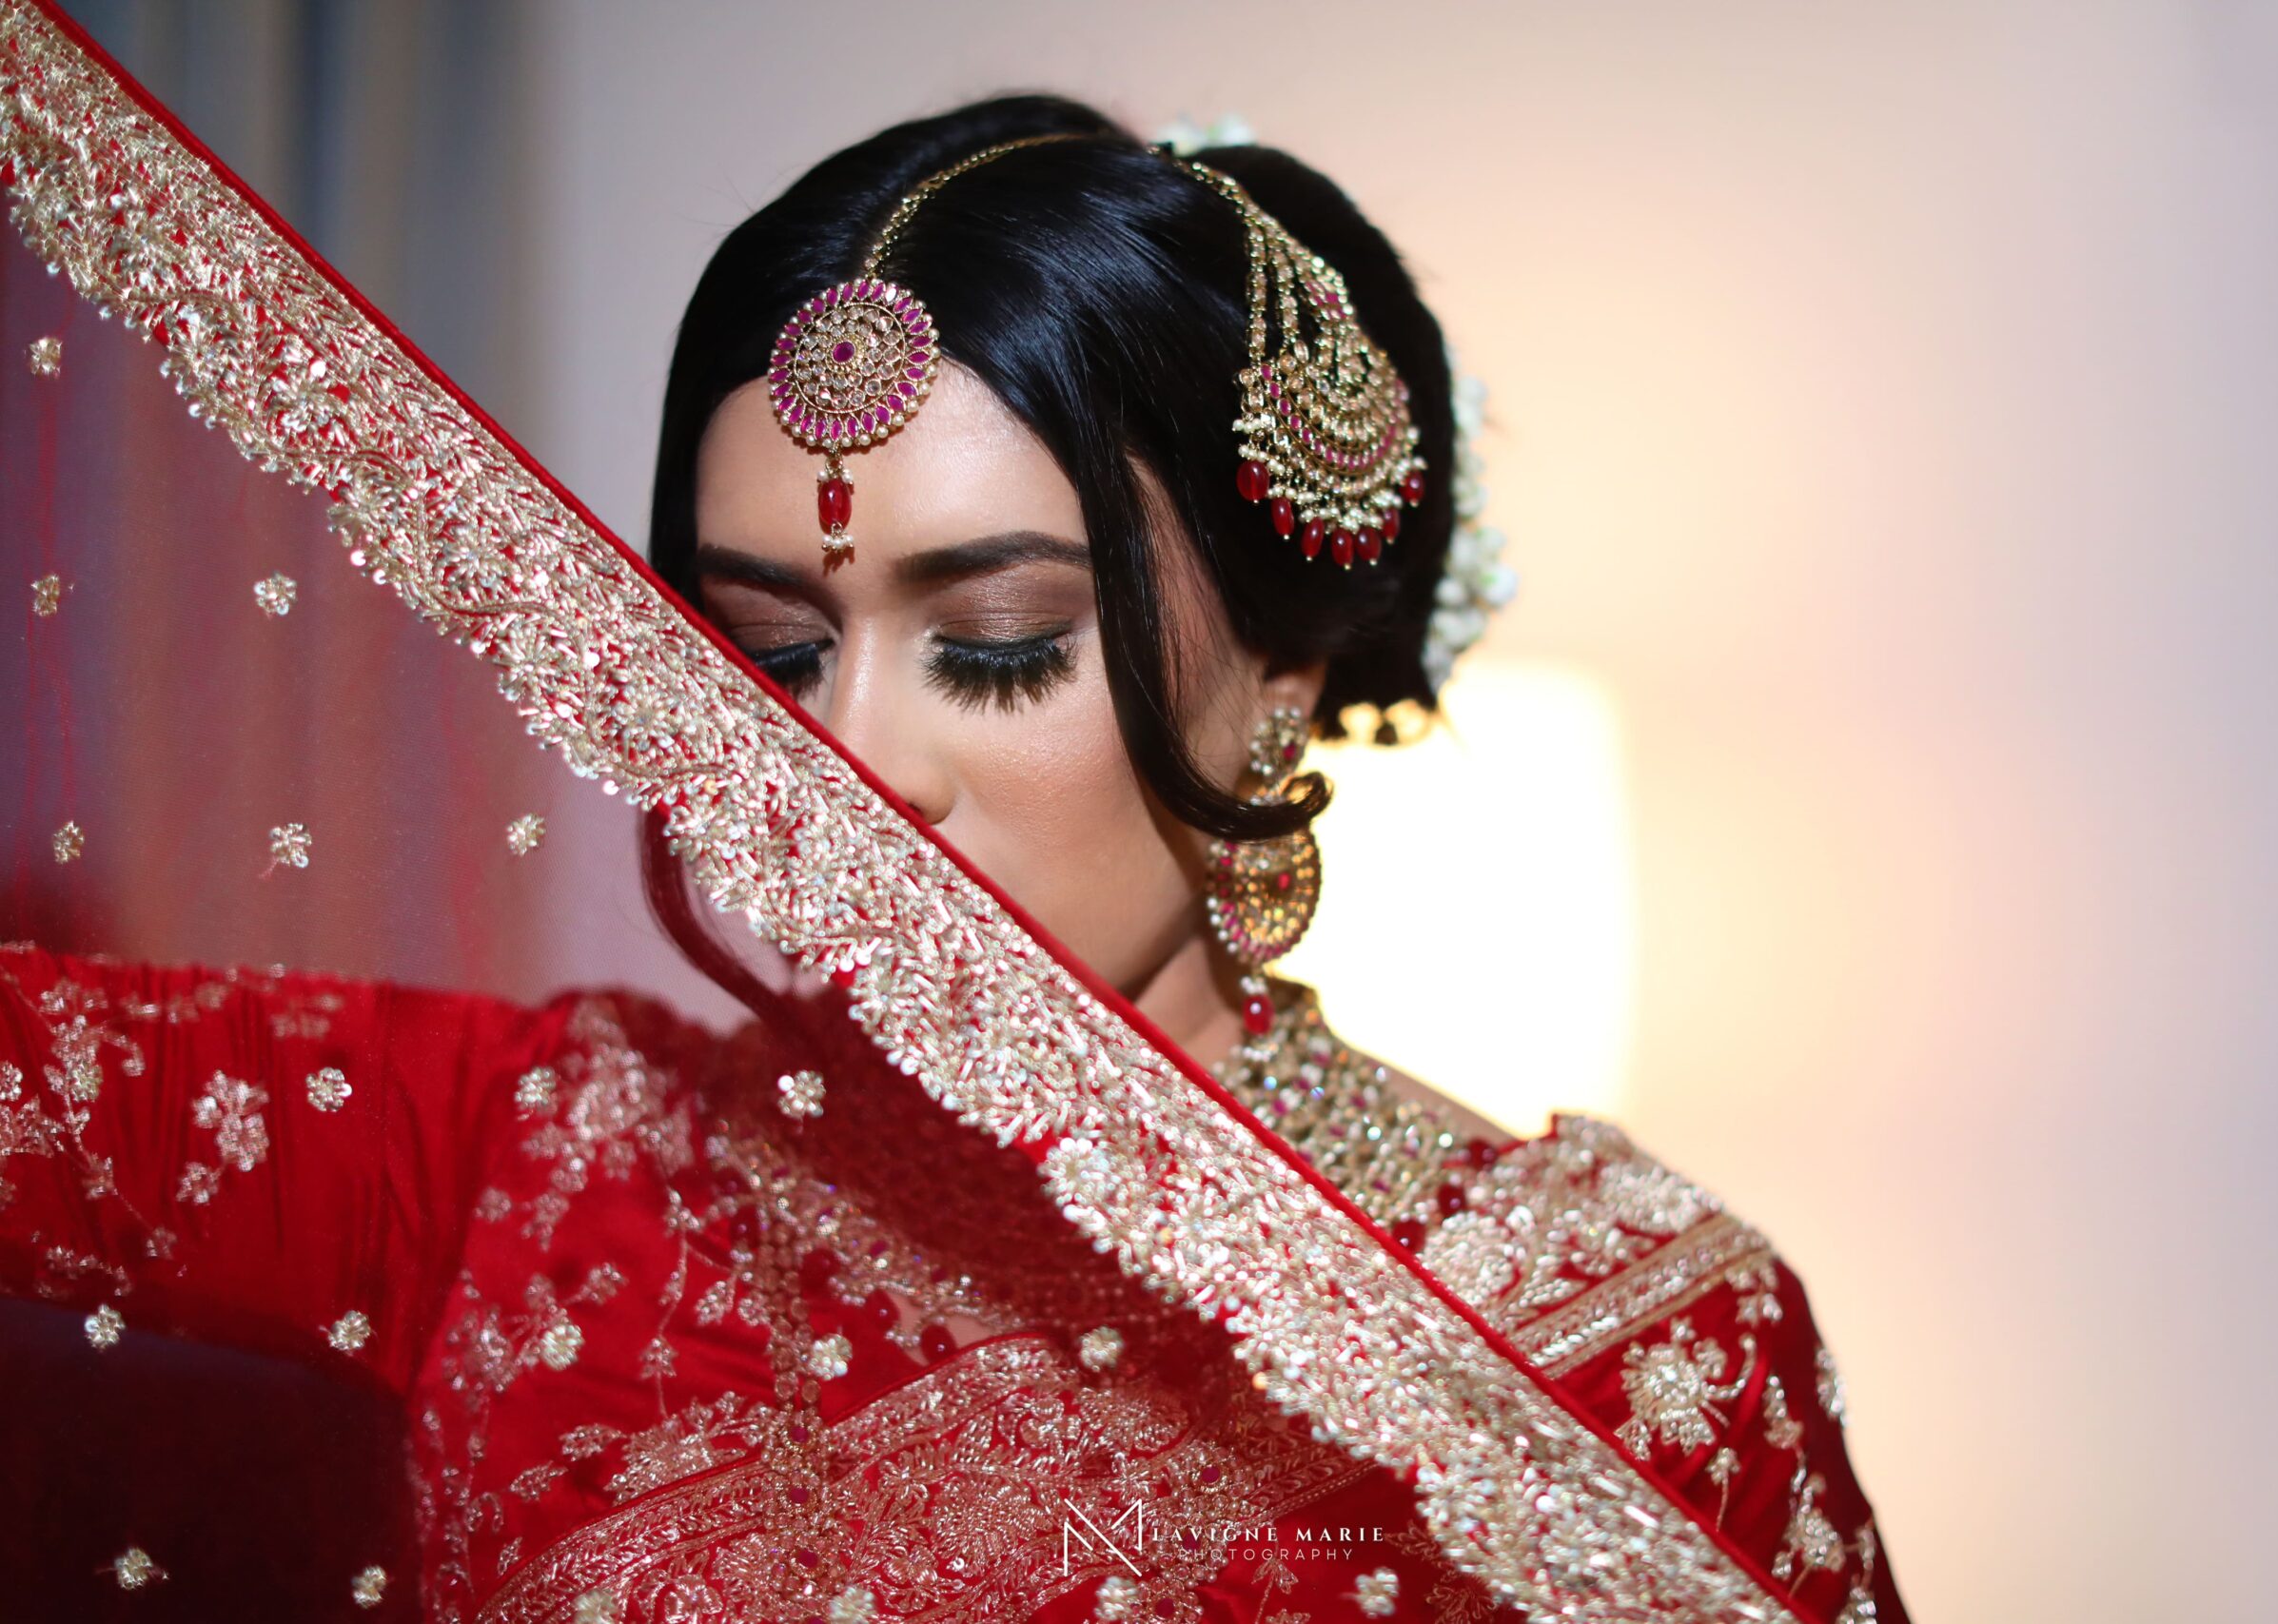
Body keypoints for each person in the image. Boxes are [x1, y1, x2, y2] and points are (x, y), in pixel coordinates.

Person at [0, 6, 1907, 1621]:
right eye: (765, 655)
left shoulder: (1630, 1346)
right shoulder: (536, 1158)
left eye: (991, 645)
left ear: (1278, 676)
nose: (852, 769)